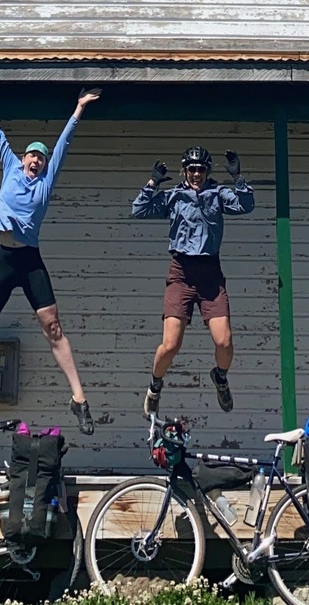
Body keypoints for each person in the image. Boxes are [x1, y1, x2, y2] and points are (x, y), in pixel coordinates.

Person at [0, 83, 101, 442]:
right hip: (1, 258)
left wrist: (79, 108)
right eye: (32, 155)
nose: (36, 160)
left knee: (53, 327)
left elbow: (64, 144)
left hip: (28, 258)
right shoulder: (10, 166)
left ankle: (79, 400)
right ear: (22, 158)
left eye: (41, 157)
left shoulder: (45, 181)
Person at [132, 145, 254, 416]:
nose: (196, 173)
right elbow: (139, 210)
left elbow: (246, 205)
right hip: (181, 273)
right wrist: (152, 182)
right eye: (191, 169)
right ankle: (154, 386)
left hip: (210, 272)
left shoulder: (217, 193)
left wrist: (237, 177)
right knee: (171, 344)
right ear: (184, 170)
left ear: (207, 170)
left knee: (224, 342)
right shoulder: (174, 196)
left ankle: (220, 378)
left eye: (201, 169)